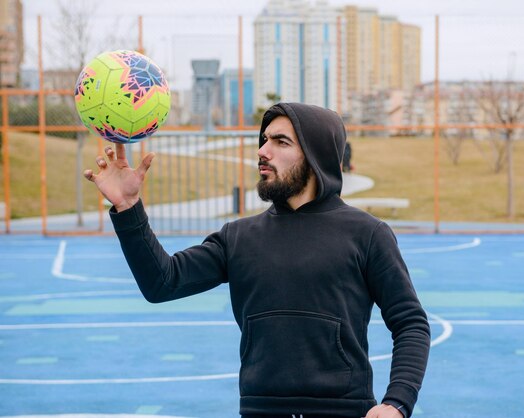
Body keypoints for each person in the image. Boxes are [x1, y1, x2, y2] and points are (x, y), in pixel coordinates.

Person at [84, 103, 430, 418]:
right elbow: (162, 282)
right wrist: (128, 208)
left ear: (315, 155)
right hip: (259, 410)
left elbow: (410, 322)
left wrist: (397, 402)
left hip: (344, 410)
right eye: (264, 140)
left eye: (281, 142)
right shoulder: (238, 237)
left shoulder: (367, 234)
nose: (262, 152)